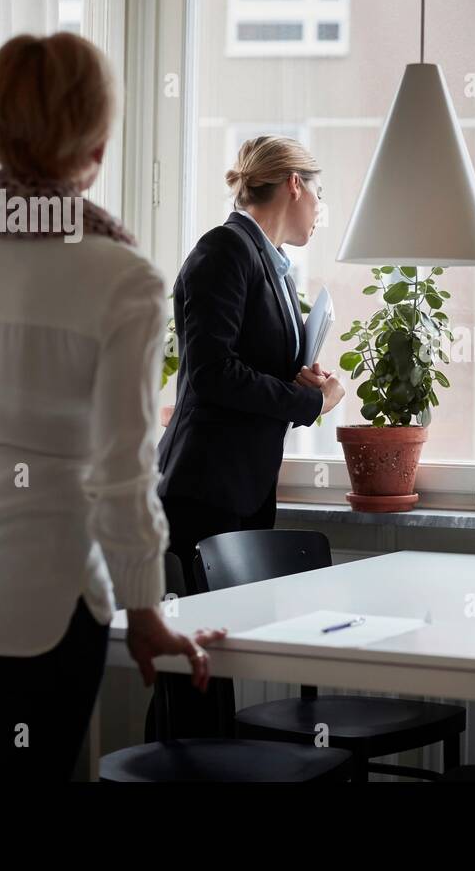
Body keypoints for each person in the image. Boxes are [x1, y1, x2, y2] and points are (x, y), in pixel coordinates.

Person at [0, 32, 224, 781]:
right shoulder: (123, 278)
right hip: (35, 610)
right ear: (97, 145)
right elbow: (123, 471)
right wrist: (146, 612)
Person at [151, 136, 345, 739]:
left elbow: (243, 366)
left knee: (215, 663)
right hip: (202, 492)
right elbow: (210, 375)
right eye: (318, 192)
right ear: (293, 184)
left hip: (239, 490)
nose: (319, 206)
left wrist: (296, 380)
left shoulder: (267, 263)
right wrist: (308, 399)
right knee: (192, 671)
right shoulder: (223, 252)